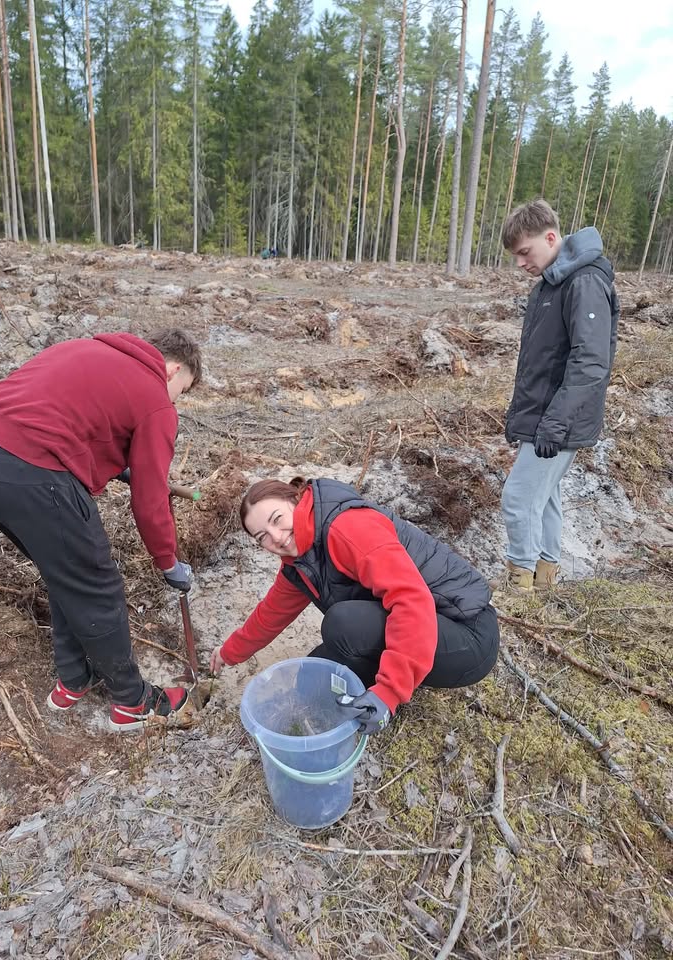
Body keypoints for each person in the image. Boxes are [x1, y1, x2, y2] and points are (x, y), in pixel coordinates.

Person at [0, 329, 202, 732]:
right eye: (182, 390)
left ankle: (73, 680)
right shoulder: (157, 398)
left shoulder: (89, 349)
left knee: (66, 572)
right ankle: (132, 703)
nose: (177, 400)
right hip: (31, 470)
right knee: (97, 583)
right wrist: (168, 560)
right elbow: (150, 497)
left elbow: (61, 418)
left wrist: (116, 466)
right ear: (173, 368)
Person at [210, 477, 499, 733]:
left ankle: (393, 687)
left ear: (295, 500)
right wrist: (227, 653)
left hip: (468, 638)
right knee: (311, 681)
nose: (276, 538)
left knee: (342, 625)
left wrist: (389, 692)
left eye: (276, 519)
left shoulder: (346, 527)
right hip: (428, 628)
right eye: (262, 537)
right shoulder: (300, 563)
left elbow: (410, 600)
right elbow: (269, 615)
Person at [499, 199, 619, 591]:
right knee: (543, 498)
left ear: (551, 238)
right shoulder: (552, 284)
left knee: (518, 499)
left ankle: (521, 588)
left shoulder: (583, 282)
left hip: (559, 420)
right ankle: (545, 581)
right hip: (545, 417)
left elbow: (590, 361)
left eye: (524, 252)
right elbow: (545, 360)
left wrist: (553, 422)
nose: (520, 263)